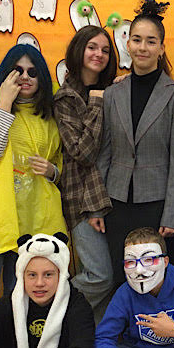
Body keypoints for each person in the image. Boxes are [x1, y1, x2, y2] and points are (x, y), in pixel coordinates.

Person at [0, 44, 66, 324]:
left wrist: (53, 171)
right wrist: (5, 104)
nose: (25, 77)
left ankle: (13, 346)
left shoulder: (49, 116)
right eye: (18, 70)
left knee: (19, 292)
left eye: (32, 72)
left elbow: (61, 165)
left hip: (33, 216)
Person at [97, 0, 174, 286]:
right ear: (127, 43)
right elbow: (105, 153)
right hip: (116, 202)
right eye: (137, 40)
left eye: (151, 41)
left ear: (162, 48)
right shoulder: (113, 93)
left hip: (157, 205)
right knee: (121, 278)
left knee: (154, 281)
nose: (143, 47)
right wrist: (98, 205)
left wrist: (173, 214)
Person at [53, 25, 117, 323]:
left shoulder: (110, 91)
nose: (99, 54)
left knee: (110, 281)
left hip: (110, 196)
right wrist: (98, 101)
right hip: (81, 199)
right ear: (79, 50)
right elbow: (83, 152)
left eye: (105, 50)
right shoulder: (66, 98)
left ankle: (88, 338)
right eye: (92, 47)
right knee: (99, 275)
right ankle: (50, 309)